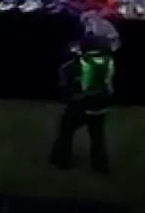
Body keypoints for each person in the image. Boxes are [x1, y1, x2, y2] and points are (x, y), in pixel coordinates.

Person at [49, 26, 115, 173]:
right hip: (100, 106)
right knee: (97, 137)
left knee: (66, 131)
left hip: (80, 104)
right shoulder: (108, 60)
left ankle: (60, 160)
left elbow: (63, 75)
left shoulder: (80, 61)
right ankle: (100, 166)